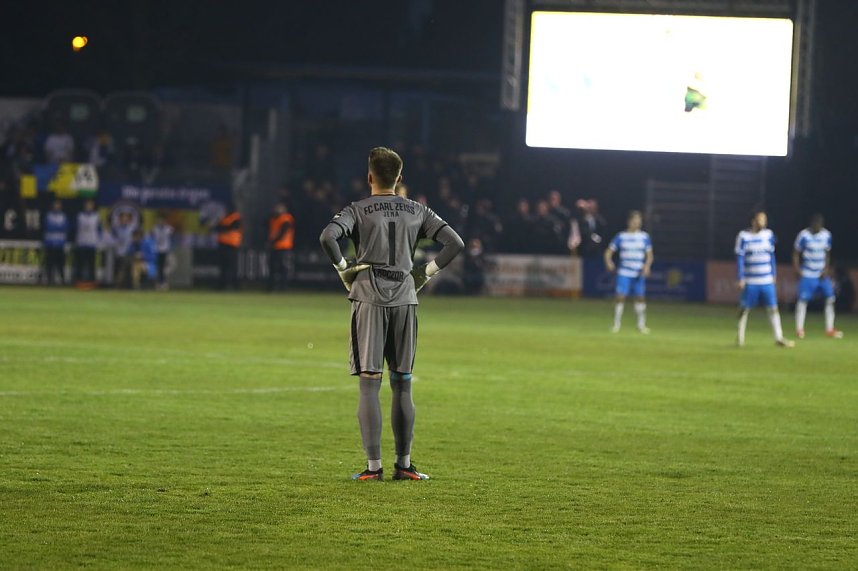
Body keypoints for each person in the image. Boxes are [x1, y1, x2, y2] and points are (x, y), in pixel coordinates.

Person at [319, 147, 464, 481]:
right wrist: (425, 272)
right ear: (399, 178)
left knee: (370, 385)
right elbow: (455, 243)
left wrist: (344, 268)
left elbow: (328, 237)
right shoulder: (417, 209)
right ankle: (405, 464)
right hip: (405, 296)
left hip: (369, 297)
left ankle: (373, 468)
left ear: (369, 176)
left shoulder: (357, 209)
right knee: (402, 383)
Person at [735, 211, 794, 347]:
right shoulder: (743, 237)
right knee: (744, 309)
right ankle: (740, 337)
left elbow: (771, 255)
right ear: (753, 221)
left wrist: (774, 274)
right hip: (750, 280)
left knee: (773, 308)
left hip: (766, 279)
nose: (764, 222)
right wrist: (740, 278)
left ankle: (778, 338)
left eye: (765, 219)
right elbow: (740, 258)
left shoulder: (769, 235)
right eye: (761, 219)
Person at [793, 214, 843, 339]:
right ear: (812, 224)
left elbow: (827, 253)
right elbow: (796, 253)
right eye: (816, 224)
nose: (818, 227)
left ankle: (829, 329)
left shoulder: (826, 235)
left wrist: (826, 269)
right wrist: (797, 269)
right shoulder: (803, 235)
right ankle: (799, 329)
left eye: (820, 225)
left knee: (830, 299)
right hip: (808, 273)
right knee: (803, 300)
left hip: (821, 274)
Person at [604, 210, 653, 333]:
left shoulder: (644, 237)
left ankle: (641, 325)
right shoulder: (621, 236)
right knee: (620, 296)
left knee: (640, 298)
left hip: (638, 272)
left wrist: (647, 266)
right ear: (629, 221)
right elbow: (608, 252)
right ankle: (616, 324)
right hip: (624, 272)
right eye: (635, 220)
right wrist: (609, 262)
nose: (638, 222)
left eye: (639, 220)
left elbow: (650, 255)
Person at [267, 202, 295, 291]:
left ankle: (283, 287)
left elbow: (283, 232)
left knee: (283, 268)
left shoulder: (286, 219)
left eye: (279, 208)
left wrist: (273, 241)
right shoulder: (274, 218)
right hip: (275, 247)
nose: (277, 210)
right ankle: (272, 287)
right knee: (273, 267)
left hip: (284, 247)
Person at [215, 207, 242, 290]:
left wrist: (223, 228)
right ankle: (222, 285)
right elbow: (218, 228)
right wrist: (223, 227)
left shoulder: (236, 217)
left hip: (232, 245)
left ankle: (234, 285)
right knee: (223, 266)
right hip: (223, 244)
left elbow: (232, 227)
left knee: (232, 266)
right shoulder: (224, 218)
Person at [74, 199, 101, 285]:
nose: (89, 207)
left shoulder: (96, 216)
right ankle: (78, 280)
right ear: (84, 206)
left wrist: (98, 240)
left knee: (91, 264)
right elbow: (75, 228)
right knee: (80, 263)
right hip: (81, 242)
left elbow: (99, 230)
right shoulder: (80, 216)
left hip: (92, 243)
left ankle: (92, 281)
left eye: (90, 205)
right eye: (87, 205)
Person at [43, 199, 68, 285]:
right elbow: (48, 227)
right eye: (55, 205)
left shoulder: (63, 216)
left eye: (58, 205)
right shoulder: (49, 215)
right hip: (50, 243)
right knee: (50, 263)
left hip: (60, 243)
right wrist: (58, 227)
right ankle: (49, 280)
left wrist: (56, 227)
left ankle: (62, 280)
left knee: (60, 263)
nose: (57, 207)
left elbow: (65, 228)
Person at [151, 215, 174, 290]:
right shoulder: (155, 228)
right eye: (159, 220)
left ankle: (164, 283)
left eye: (162, 221)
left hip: (165, 249)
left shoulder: (168, 228)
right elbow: (152, 237)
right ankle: (159, 283)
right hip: (157, 250)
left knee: (164, 267)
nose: (160, 222)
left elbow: (172, 234)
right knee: (158, 267)